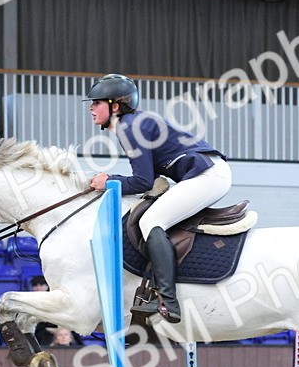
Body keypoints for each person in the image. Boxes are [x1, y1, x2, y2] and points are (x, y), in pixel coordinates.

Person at [85, 73, 231, 324]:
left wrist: (108, 181)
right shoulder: (133, 122)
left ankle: (168, 299)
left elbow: (142, 181)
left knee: (150, 221)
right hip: (203, 173)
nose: (91, 107)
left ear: (115, 106)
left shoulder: (129, 127)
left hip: (208, 175)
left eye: (97, 102)